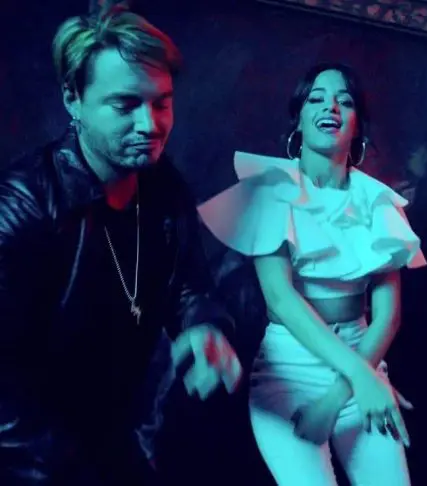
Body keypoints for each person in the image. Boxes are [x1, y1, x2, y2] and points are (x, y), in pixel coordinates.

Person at [0, 7, 243, 486]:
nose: (150, 125)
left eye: (162, 103)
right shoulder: (21, 209)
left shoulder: (162, 185)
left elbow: (187, 282)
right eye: (125, 105)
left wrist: (202, 324)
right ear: (73, 99)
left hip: (111, 438)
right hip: (28, 455)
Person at [198, 63, 426, 485]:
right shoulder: (272, 189)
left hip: (362, 359)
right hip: (290, 371)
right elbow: (280, 299)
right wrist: (358, 377)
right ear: (299, 119)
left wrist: (348, 388)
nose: (331, 107)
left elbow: (388, 315)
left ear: (358, 125)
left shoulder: (378, 201)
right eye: (316, 99)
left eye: (345, 101)